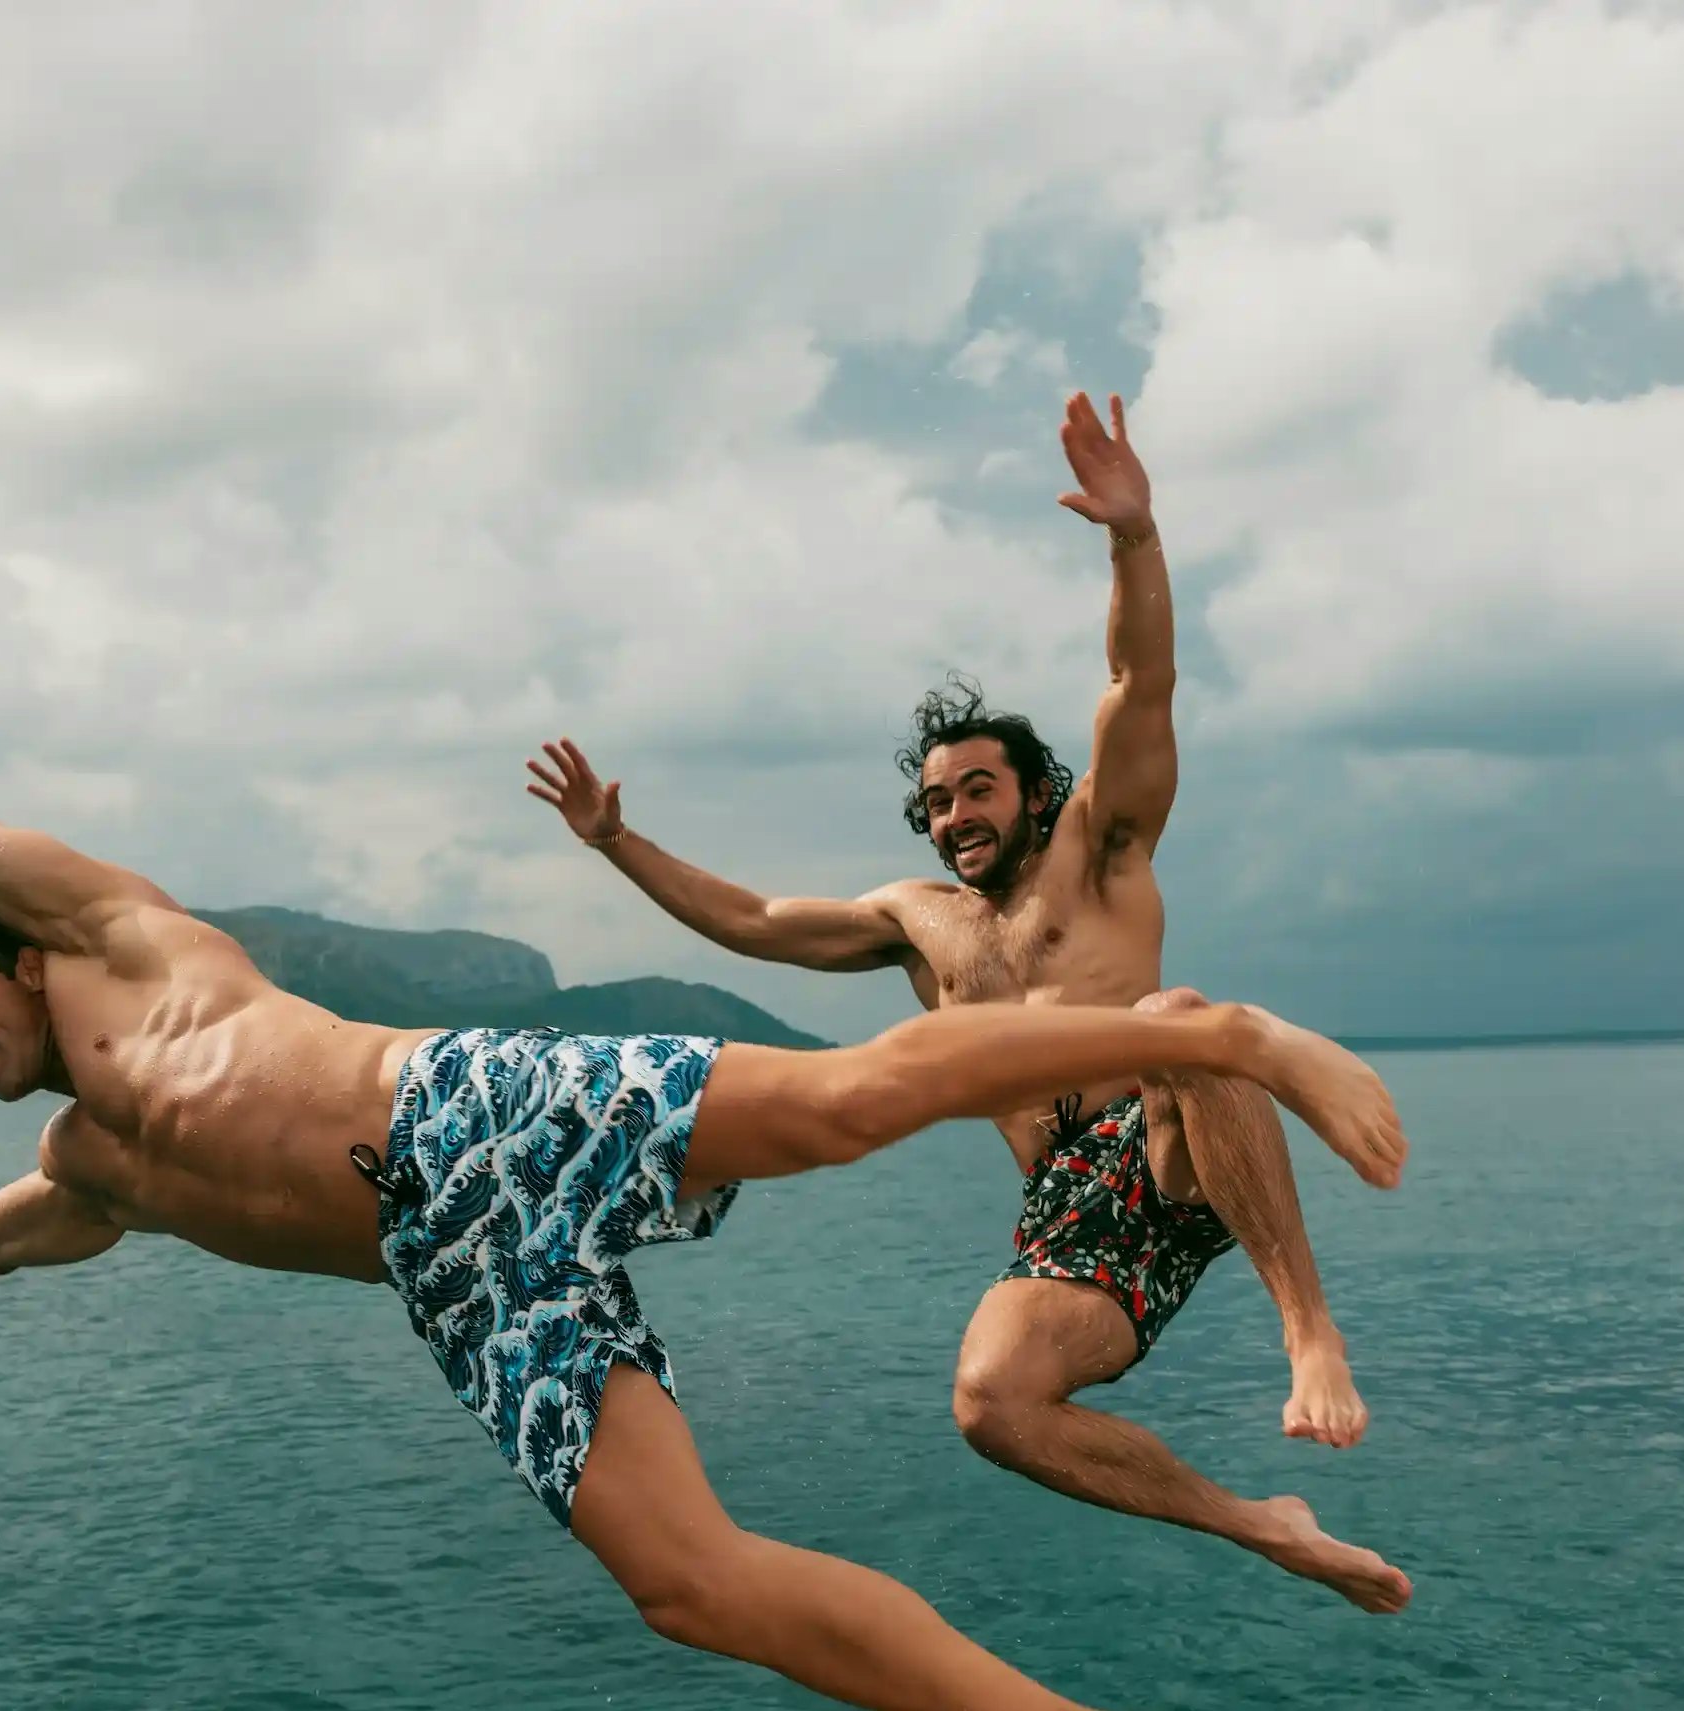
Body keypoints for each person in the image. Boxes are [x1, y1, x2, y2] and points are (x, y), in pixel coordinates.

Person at [0, 690, 1409, 1711]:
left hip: (463, 1110)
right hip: (460, 1277)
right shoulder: (88, 1164)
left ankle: (1231, 1039)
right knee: (688, 1581)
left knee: (839, 1110)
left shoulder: (118, 941)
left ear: (18, 965)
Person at [526, 392, 1411, 1615]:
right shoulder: (916, 924)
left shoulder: (1101, 847)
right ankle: (1264, 1525)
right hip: (1072, 1215)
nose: (956, 817)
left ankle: (1308, 1327)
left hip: (1174, 1149)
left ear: (1035, 790)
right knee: (990, 1406)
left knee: (1180, 1023)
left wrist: (1133, 539)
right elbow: (754, 923)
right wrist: (618, 842)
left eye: (979, 790)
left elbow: (1136, 680)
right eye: (939, 803)